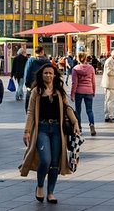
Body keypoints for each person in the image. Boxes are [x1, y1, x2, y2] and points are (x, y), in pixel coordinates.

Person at [20, 64, 79, 204]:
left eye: (50, 73)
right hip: (42, 128)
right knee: (45, 160)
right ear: (41, 75)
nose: (48, 75)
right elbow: (30, 113)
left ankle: (51, 192)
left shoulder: (59, 91)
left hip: (57, 129)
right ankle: (40, 186)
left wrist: (75, 122)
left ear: (54, 75)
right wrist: (27, 131)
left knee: (54, 163)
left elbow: (67, 108)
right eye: (46, 73)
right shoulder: (36, 91)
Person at [70, 52, 97, 136]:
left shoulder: (75, 69)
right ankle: (92, 124)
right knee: (89, 110)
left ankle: (80, 128)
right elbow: (93, 81)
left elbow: (74, 83)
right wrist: (93, 91)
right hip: (89, 91)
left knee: (78, 111)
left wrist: (72, 94)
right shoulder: (91, 68)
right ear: (86, 58)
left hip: (79, 91)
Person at [22, 46, 50, 111]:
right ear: (42, 51)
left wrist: (27, 85)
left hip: (32, 85)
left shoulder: (31, 61)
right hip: (45, 86)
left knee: (30, 106)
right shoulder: (48, 62)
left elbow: (27, 73)